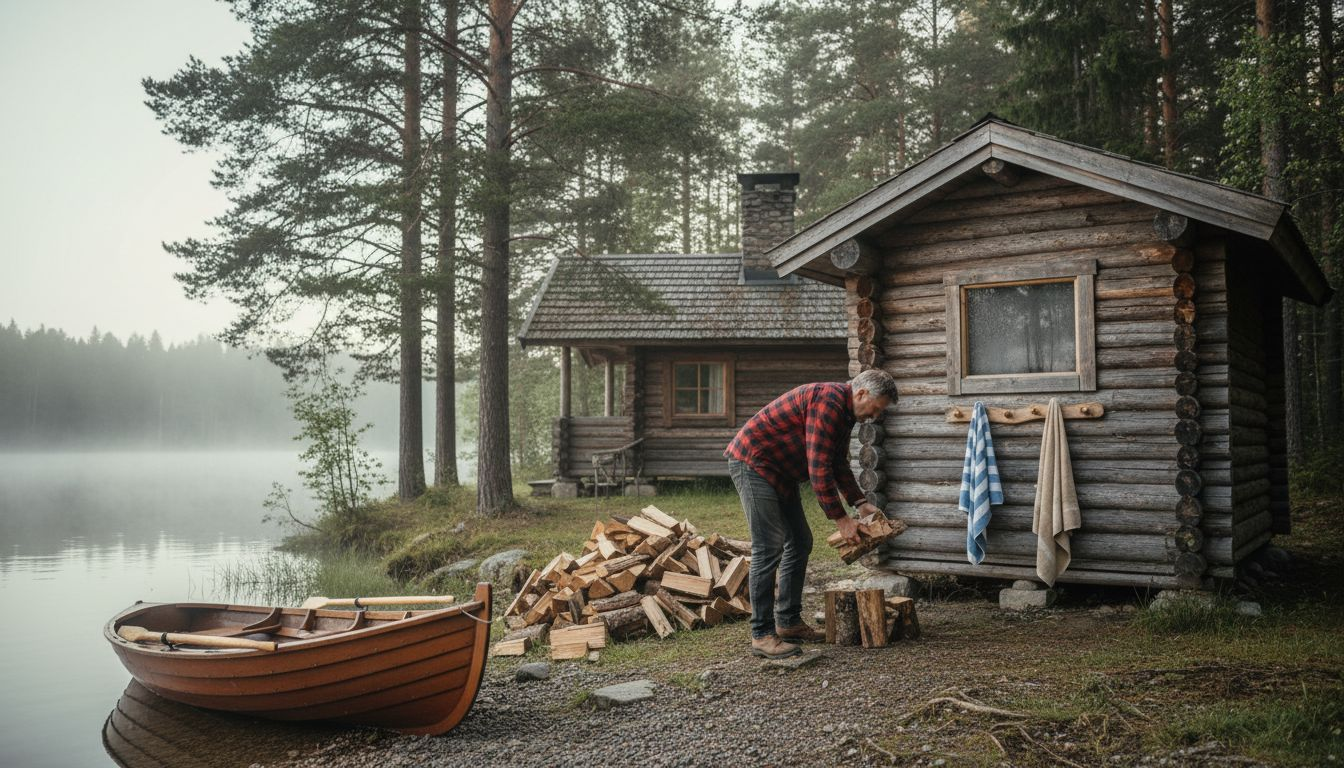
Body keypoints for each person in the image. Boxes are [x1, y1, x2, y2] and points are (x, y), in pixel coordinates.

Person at [724, 368, 898, 659]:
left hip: (781, 473)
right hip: (754, 464)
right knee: (769, 546)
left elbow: (837, 463)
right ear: (862, 393)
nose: (874, 416)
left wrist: (860, 503)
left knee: (801, 541)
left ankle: (788, 623)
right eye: (875, 408)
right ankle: (762, 635)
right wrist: (842, 520)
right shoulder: (829, 402)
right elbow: (819, 468)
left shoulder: (845, 413)